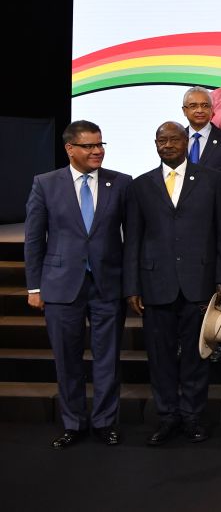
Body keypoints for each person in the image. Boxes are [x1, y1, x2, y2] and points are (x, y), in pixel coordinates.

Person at [24, 120, 133, 448]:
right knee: (66, 359)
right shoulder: (45, 183)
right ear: (70, 149)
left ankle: (104, 422)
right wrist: (34, 287)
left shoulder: (121, 183)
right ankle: (73, 422)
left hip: (107, 285)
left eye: (100, 144)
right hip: (60, 285)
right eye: (88, 146)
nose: (97, 151)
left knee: (108, 358)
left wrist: (130, 284)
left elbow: (133, 239)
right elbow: (33, 238)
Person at [123, 122, 221, 445]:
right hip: (156, 284)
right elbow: (133, 240)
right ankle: (167, 417)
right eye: (162, 140)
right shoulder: (141, 185)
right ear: (155, 144)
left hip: (199, 283)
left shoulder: (212, 179)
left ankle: (193, 417)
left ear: (187, 141)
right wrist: (132, 286)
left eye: (174, 139)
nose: (168, 145)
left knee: (197, 357)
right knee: (160, 356)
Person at [181, 86, 221, 210]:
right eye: (193, 106)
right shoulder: (175, 140)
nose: (200, 110)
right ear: (184, 111)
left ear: (212, 110)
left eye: (205, 105)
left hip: (215, 216)